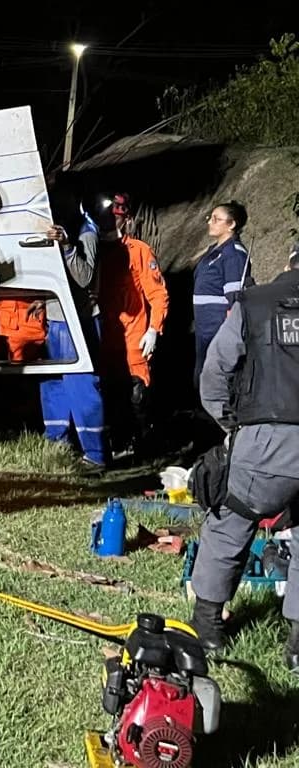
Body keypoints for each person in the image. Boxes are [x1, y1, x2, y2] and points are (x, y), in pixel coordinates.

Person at [189, 240, 299, 666]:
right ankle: (296, 651)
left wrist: (234, 428)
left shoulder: (252, 304)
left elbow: (214, 375)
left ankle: (209, 631)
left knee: (228, 521)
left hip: (262, 444)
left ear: (288, 260)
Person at [94, 192, 169, 453]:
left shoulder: (138, 251)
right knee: (107, 394)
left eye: (116, 217)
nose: (110, 223)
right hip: (102, 336)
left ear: (126, 219)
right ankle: (115, 442)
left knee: (137, 395)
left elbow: (157, 293)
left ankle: (143, 445)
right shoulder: (93, 251)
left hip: (133, 337)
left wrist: (154, 329)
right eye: (107, 218)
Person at [40, 203, 110, 467]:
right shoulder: (56, 230)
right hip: (56, 318)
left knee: (81, 386)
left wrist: (68, 247)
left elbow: (85, 279)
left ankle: (95, 455)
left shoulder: (86, 233)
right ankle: (57, 444)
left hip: (78, 321)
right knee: (53, 384)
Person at [193, 200, 252, 381]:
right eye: (210, 218)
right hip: (204, 326)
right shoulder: (214, 251)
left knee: (216, 376)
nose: (210, 221)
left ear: (231, 224)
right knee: (203, 374)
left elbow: (235, 298)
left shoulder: (233, 254)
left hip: (218, 326)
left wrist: (230, 331)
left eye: (217, 219)